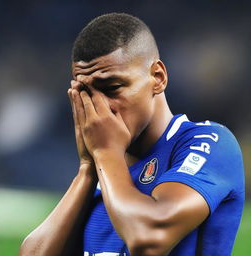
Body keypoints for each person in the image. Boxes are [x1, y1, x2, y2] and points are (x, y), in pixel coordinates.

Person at [19, 13, 245, 256]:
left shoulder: (208, 142)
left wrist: (105, 153)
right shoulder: (101, 176)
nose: (101, 108)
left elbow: (148, 239)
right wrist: (87, 169)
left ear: (158, 77)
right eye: (86, 93)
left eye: (112, 88)